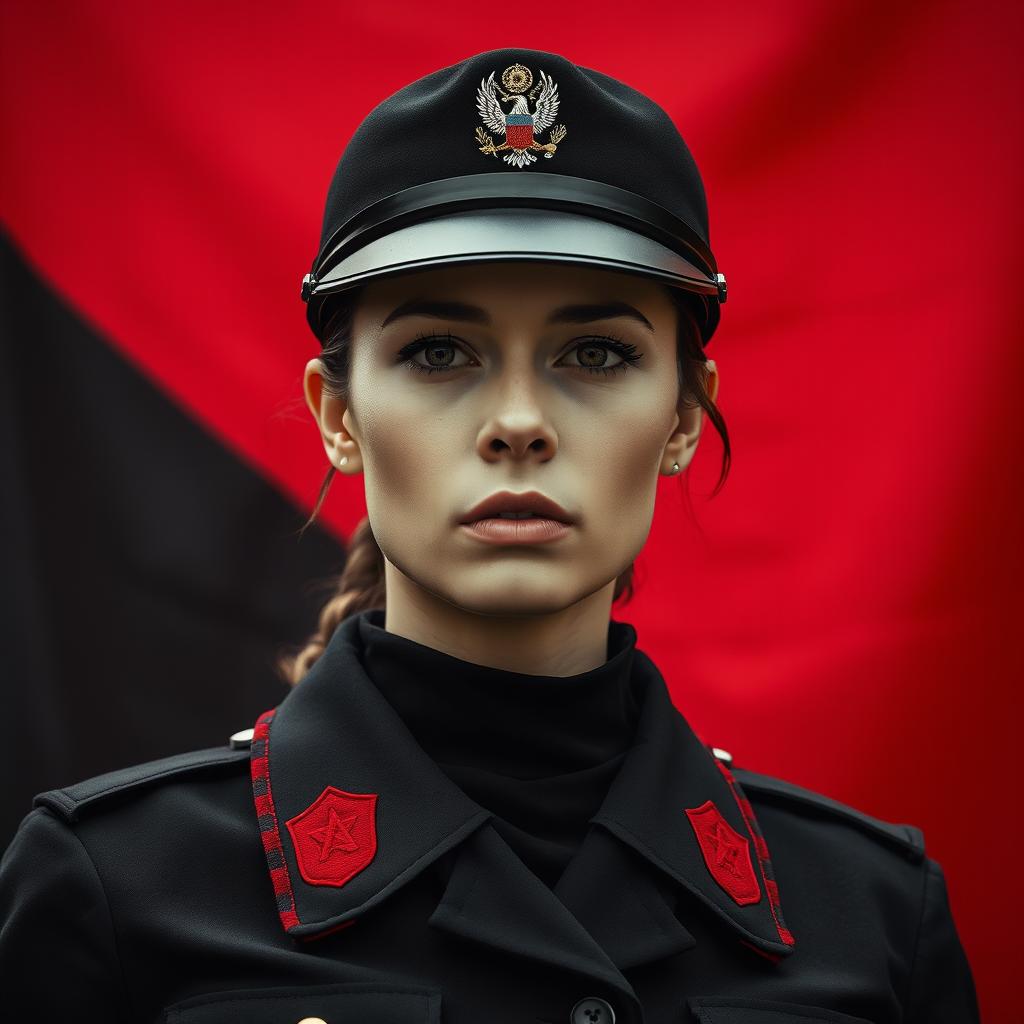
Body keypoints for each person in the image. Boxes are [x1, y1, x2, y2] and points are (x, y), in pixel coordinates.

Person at [0, 47, 978, 1023]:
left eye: (594, 352)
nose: (518, 420)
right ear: (336, 414)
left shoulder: (872, 913)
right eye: (438, 352)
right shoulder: (117, 886)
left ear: (683, 416)